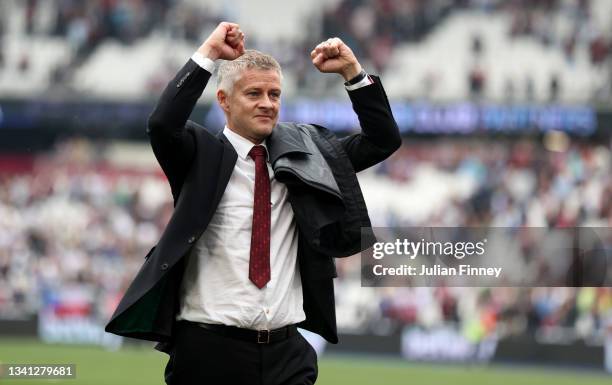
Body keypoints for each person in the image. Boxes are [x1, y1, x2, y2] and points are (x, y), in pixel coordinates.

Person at [105, 21, 401, 385]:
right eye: (254, 93)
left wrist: (354, 74)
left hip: (287, 354)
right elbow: (163, 124)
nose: (267, 104)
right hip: (209, 352)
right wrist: (209, 54)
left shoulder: (305, 156)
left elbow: (382, 140)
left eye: (274, 94)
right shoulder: (199, 155)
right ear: (224, 101)